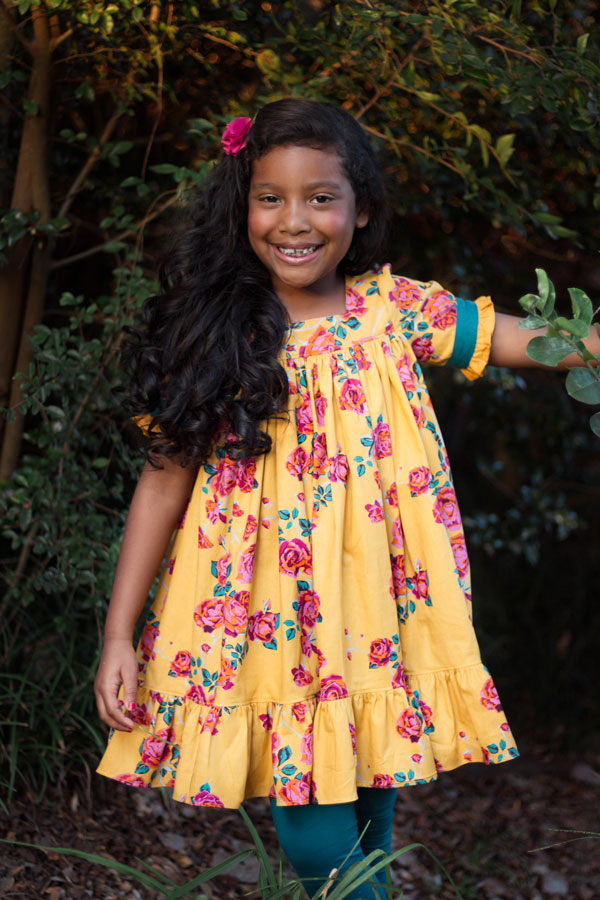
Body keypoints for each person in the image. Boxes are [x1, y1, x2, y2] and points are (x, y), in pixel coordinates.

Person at [94, 99, 597, 899]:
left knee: (369, 820)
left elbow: (521, 340)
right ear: (242, 205)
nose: (295, 221)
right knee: (318, 839)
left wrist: (590, 345)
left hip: (378, 613)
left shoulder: (393, 312)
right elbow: (161, 482)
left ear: (360, 212)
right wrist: (120, 632)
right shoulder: (218, 332)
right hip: (265, 618)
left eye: (321, 197)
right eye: (271, 197)